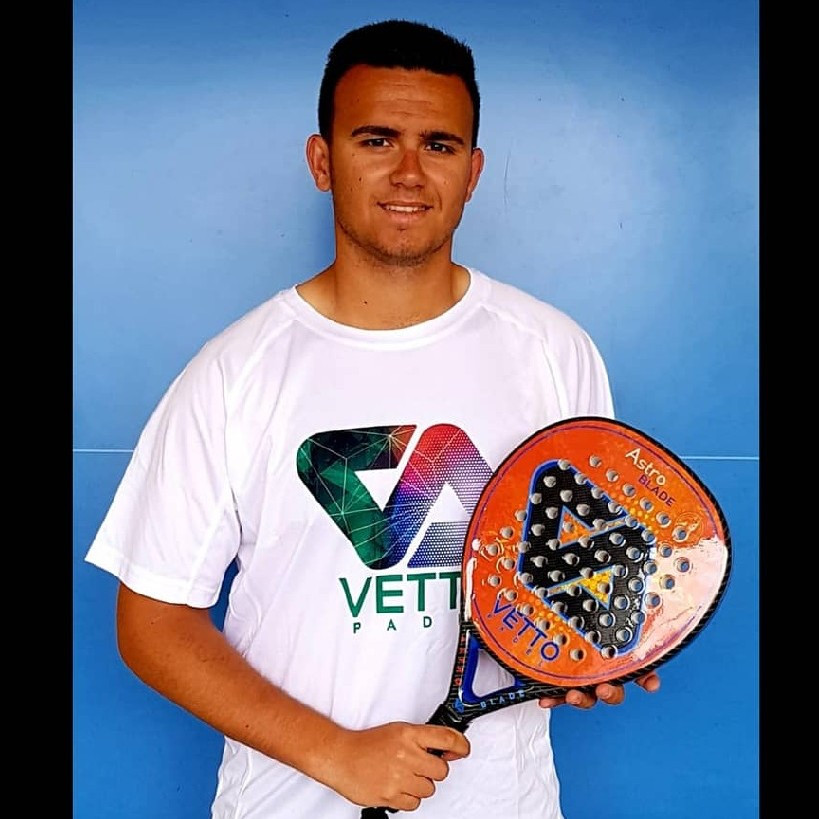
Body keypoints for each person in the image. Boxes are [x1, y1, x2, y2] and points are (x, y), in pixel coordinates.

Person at [85, 18, 660, 819]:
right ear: (322, 161)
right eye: (376, 139)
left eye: (439, 145)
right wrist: (336, 753)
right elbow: (150, 622)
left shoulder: (553, 352)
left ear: (473, 171)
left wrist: (587, 650)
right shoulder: (234, 372)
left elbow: (575, 575)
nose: (408, 172)